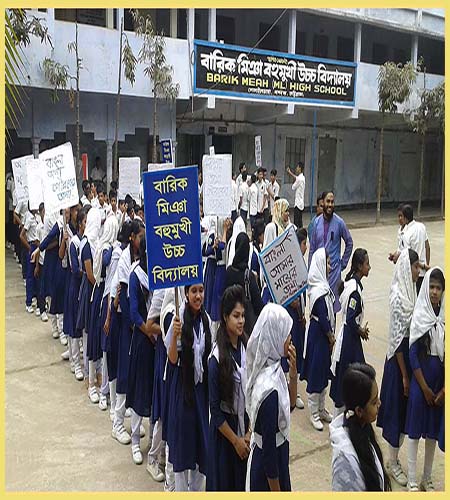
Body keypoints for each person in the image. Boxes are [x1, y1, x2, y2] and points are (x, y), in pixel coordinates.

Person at [376, 248, 420, 487]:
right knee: (396, 410)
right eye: (415, 266)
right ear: (406, 267)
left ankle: (394, 457)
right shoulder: (398, 298)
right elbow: (398, 341)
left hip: (409, 364)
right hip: (398, 364)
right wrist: (404, 375)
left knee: (404, 411)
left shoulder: (411, 292)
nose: (417, 271)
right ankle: (392, 462)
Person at [165, 283, 212, 491]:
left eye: (201, 291)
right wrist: (175, 336)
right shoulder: (179, 319)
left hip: (200, 391)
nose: (198, 296)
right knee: (183, 451)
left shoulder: (206, 319)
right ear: (185, 293)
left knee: (201, 448)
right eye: (194, 291)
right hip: (183, 390)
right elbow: (172, 359)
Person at [245, 303, 297, 491]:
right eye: (286, 334)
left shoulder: (272, 369)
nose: (290, 339)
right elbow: (268, 454)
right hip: (268, 474)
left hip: (276, 460)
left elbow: (290, 405)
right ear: (275, 336)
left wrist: (293, 374)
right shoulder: (269, 391)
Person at [207, 285, 250, 491]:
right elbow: (215, 411)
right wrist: (236, 441)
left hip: (245, 431)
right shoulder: (216, 359)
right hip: (225, 438)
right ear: (225, 317)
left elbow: (253, 395)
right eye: (236, 316)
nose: (241, 321)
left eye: (243, 315)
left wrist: (248, 434)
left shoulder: (246, 347)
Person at [405, 267, 445, 492]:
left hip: (439, 387)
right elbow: (412, 355)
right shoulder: (420, 316)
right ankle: (412, 478)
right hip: (421, 385)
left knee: (431, 433)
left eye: (439, 288)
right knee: (414, 432)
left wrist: (443, 390)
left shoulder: (444, 318)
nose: (435, 292)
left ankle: (426, 478)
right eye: (431, 287)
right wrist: (425, 388)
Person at [330, 362, 391, 491]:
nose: (379, 403)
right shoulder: (345, 460)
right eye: (374, 402)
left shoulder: (364, 429)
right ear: (359, 411)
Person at [112, 219, 145, 445]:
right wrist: (133, 323)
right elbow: (123, 295)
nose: (143, 239)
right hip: (126, 323)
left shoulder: (139, 258)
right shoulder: (125, 258)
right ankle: (117, 424)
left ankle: (133, 420)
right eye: (140, 236)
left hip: (135, 324)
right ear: (132, 237)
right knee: (124, 373)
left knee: (133, 374)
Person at [330, 249, 371, 416]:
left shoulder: (353, 284)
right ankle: (340, 416)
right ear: (360, 266)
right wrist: (360, 330)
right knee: (351, 376)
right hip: (349, 341)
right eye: (367, 264)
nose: (369, 267)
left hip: (350, 337)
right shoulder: (354, 291)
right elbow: (351, 318)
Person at [126, 235, 156, 465]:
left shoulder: (160, 274)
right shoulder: (136, 275)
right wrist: (149, 332)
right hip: (143, 340)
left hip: (157, 340)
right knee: (139, 391)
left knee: (155, 392)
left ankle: (154, 440)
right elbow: (134, 312)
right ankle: (135, 440)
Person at [302, 247, 335, 431]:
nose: (330, 267)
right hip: (319, 337)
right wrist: (330, 336)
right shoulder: (317, 292)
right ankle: (314, 412)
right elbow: (323, 317)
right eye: (328, 263)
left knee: (323, 372)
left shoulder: (324, 288)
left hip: (324, 338)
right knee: (316, 373)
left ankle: (321, 409)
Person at [309, 190, 353, 313]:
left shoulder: (339, 223)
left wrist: (342, 264)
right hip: (319, 274)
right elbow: (312, 249)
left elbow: (349, 243)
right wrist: (310, 270)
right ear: (323, 203)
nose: (330, 204)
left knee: (332, 308)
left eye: (332, 202)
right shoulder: (316, 223)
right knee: (319, 308)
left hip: (333, 274)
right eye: (328, 201)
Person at [92, 214, 119, 411]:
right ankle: (103, 392)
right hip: (105, 299)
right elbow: (105, 266)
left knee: (109, 349)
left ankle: (108, 391)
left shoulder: (108, 247)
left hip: (106, 297)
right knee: (106, 347)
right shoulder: (108, 250)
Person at [76, 207, 101, 402]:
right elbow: (90, 274)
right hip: (90, 289)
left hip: (95, 289)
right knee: (89, 332)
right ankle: (89, 377)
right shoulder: (86, 245)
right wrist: (100, 285)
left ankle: (95, 375)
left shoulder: (96, 243)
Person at [66, 207, 89, 382]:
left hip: (85, 288)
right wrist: (88, 273)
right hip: (76, 288)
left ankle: (83, 360)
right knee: (74, 325)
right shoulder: (74, 243)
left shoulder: (89, 241)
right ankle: (75, 363)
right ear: (80, 223)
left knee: (83, 326)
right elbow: (75, 269)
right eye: (86, 221)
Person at [225, 233, 263, 335]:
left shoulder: (228, 271)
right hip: (246, 327)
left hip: (231, 326)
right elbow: (258, 306)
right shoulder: (249, 276)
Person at [288, 228, 308, 410]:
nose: (306, 247)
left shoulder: (301, 264)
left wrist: (302, 312)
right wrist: (291, 303)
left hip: (299, 316)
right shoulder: (289, 265)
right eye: (303, 244)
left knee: (298, 350)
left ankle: (295, 387)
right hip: (291, 317)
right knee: (291, 352)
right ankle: (292, 390)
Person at [391, 204, 431, 294]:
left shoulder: (407, 234)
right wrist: (426, 264)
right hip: (423, 272)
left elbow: (408, 257)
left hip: (413, 273)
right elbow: (427, 247)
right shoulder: (422, 226)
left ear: (405, 218)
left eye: (401, 216)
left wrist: (423, 266)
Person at [20, 203, 40, 314]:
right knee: (30, 276)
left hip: (38, 246)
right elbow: (22, 235)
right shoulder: (29, 219)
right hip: (32, 245)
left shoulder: (38, 218)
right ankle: (28, 302)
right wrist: (29, 248)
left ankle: (36, 299)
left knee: (37, 275)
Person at [287, 162, 305, 229]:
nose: (296, 168)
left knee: (296, 223)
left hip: (297, 203)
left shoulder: (299, 179)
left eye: (297, 167)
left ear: (300, 168)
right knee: (300, 221)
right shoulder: (302, 177)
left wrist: (291, 174)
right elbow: (297, 178)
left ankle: (297, 234)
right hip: (301, 203)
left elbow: (293, 187)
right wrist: (290, 173)